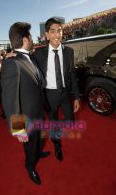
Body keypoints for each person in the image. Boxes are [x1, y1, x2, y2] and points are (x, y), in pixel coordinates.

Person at [1, 22, 49, 185]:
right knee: (30, 146)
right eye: (30, 36)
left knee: (39, 139)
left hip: (39, 111)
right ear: (25, 39)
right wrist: (18, 129)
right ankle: (30, 166)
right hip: (27, 118)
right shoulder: (11, 63)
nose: (33, 38)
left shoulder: (29, 56)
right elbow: (9, 100)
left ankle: (37, 152)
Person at [33, 17, 80, 161]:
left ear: (62, 32)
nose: (56, 34)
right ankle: (57, 145)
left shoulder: (69, 51)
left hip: (65, 93)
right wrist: (12, 56)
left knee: (70, 121)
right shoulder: (38, 53)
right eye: (52, 31)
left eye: (59, 31)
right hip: (49, 95)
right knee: (54, 123)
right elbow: (24, 59)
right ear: (46, 34)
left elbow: (72, 75)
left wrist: (77, 96)